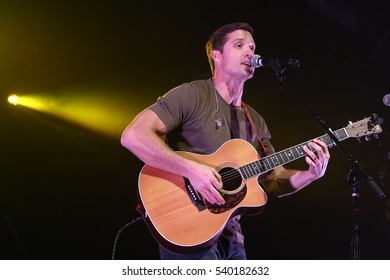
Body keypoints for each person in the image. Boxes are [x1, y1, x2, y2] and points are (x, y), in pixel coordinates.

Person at [120, 22, 330, 260]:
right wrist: (193, 171)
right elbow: (133, 135)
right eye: (239, 45)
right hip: (188, 227)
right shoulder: (192, 95)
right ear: (216, 55)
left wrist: (311, 174)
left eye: (252, 46)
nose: (250, 52)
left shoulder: (256, 122)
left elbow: (274, 180)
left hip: (232, 238)